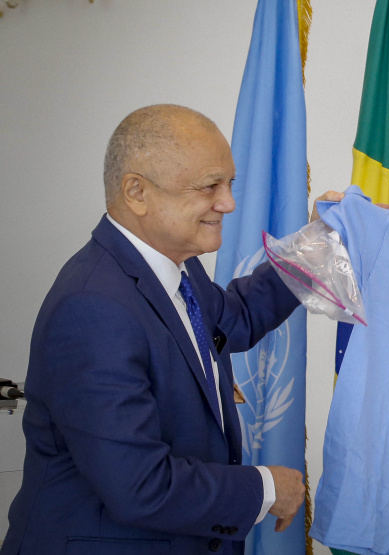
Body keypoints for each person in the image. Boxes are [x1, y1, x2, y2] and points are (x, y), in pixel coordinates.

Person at [1, 105, 307, 555]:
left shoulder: (177, 270)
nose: (228, 203)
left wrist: (320, 246)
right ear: (137, 192)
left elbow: (235, 317)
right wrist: (265, 487)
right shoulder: (93, 307)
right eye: (210, 186)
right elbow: (140, 484)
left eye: (229, 184)